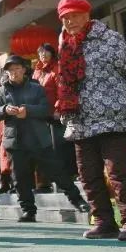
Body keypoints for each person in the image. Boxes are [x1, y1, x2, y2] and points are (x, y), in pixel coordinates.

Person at [55, 0, 126, 242]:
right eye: (65, 18)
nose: (70, 21)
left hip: (114, 117)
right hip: (80, 121)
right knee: (89, 174)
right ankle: (104, 221)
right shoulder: (64, 45)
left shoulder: (109, 39)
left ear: (87, 15)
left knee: (119, 172)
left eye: (74, 15)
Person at [0, 55, 90, 222]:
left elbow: (46, 109)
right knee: (20, 179)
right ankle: (28, 211)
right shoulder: (1, 91)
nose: (14, 72)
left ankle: (78, 200)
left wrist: (27, 110)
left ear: (24, 70)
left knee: (58, 172)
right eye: (10, 70)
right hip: (15, 141)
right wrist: (5, 109)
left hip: (38, 139)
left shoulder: (36, 88)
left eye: (17, 69)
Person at [33, 43, 78, 185]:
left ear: (52, 53)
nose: (43, 55)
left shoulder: (56, 69)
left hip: (56, 114)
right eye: (40, 52)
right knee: (46, 147)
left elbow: (61, 90)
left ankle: (68, 174)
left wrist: (58, 109)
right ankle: (50, 178)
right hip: (41, 115)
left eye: (46, 51)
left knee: (61, 145)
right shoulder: (37, 71)